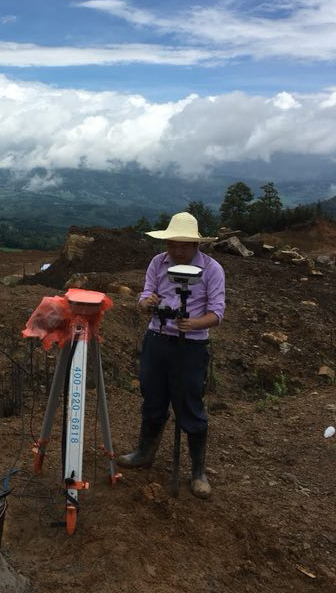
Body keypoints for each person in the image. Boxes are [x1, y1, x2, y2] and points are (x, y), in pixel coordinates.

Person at [117, 211, 225, 499]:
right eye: (172, 244)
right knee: (152, 396)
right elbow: (144, 296)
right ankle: (144, 452)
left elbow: (217, 312)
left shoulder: (212, 269)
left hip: (191, 346)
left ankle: (198, 472)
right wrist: (146, 303)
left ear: (196, 245)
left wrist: (194, 323)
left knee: (190, 403)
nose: (176, 250)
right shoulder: (158, 263)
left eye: (183, 245)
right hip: (157, 340)